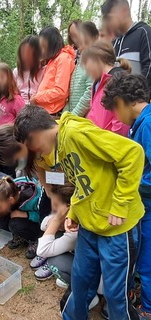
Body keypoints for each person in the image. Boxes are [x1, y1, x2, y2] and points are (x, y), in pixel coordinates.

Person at [13, 105, 144, 320]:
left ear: (35, 135)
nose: (34, 152)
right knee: (80, 283)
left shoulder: (77, 134)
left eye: (31, 145)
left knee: (115, 295)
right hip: (89, 225)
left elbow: (133, 153)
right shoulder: (59, 146)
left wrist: (120, 204)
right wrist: (74, 211)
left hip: (117, 229)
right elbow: (83, 182)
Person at [102, 73, 151, 319]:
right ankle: (135, 294)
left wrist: (130, 184)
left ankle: (147, 309)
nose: (114, 116)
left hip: (149, 205)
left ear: (122, 101)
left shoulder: (149, 124)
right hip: (144, 205)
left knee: (146, 259)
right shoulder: (141, 123)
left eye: (114, 110)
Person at [82, 40, 131, 136]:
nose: (86, 70)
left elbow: (121, 124)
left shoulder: (118, 80)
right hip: (96, 140)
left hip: (108, 143)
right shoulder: (97, 82)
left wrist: (107, 142)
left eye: (87, 64)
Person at [30, 183, 76, 285]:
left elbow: (42, 250)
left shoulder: (74, 230)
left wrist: (57, 220)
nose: (53, 209)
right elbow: (43, 225)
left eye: (56, 205)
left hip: (85, 264)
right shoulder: (69, 217)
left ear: (68, 208)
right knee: (53, 232)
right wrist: (57, 219)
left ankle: (74, 284)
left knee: (54, 261)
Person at [0, 176, 42, 259]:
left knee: (16, 224)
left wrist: (26, 214)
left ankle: (34, 240)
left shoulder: (34, 199)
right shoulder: (7, 191)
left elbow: (43, 217)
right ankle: (20, 236)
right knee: (2, 218)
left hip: (37, 223)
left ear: (11, 200)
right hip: (17, 213)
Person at [101, 0, 151, 89]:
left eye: (110, 17)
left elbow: (149, 67)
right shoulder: (114, 42)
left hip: (137, 100)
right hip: (115, 100)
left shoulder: (144, 33)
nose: (108, 22)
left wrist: (135, 94)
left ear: (124, 11)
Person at [0, 63, 25, 176]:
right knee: (1, 172)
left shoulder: (16, 99)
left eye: (2, 77)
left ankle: (14, 191)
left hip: (9, 145)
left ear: (9, 78)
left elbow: (23, 121)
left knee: (10, 173)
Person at [30, 27, 75, 116]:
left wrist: (37, 98)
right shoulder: (53, 60)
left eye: (43, 46)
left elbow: (60, 91)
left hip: (53, 112)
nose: (42, 50)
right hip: (45, 110)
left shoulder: (63, 58)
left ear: (51, 44)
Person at [63, 21, 99, 117]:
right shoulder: (78, 61)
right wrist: (65, 115)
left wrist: (72, 116)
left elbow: (89, 93)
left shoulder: (94, 60)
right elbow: (71, 95)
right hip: (73, 117)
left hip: (84, 118)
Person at [13, 35, 44, 104]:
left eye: (29, 52)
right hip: (19, 107)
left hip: (38, 108)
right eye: (23, 51)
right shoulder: (16, 72)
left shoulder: (44, 71)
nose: (25, 55)